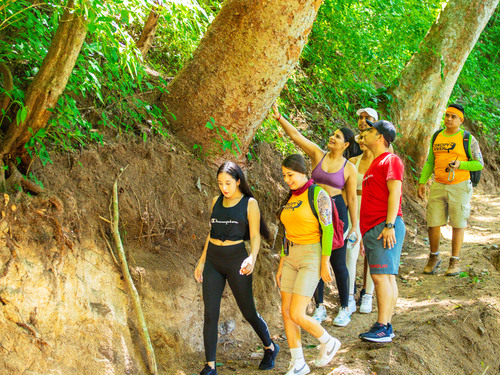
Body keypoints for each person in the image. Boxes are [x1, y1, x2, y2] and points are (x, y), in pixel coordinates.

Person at [272, 103, 359, 327]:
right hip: (313, 208)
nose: (332, 137)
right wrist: (280, 118)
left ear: (346, 144)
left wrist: (355, 227)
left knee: (338, 263)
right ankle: (319, 306)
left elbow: (351, 199)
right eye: (332, 134)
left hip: (337, 211)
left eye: (337, 136)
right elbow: (296, 136)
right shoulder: (317, 154)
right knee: (315, 257)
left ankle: (344, 307)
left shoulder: (350, 168)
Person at [194, 162, 279, 375]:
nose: (224, 187)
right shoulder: (216, 201)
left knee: (248, 311)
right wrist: (201, 261)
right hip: (213, 260)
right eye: (220, 183)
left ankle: (270, 347)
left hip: (237, 262)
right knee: (210, 313)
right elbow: (211, 233)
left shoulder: (249, 204)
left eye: (228, 183)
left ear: (238, 181)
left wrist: (252, 257)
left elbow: (254, 236)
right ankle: (210, 366)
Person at [276, 154, 341, 375]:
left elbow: (328, 229)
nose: (287, 179)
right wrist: (281, 263)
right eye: (284, 175)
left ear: (303, 172)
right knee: (286, 311)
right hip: (290, 255)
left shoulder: (318, 194)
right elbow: (287, 233)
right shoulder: (290, 198)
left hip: (311, 255)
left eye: (290, 175)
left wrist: (325, 263)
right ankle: (298, 362)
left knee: (296, 312)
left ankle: (328, 341)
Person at [418, 104, 484, 276]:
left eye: (453, 116)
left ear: (460, 120)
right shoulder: (437, 136)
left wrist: (461, 164)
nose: (449, 119)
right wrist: (422, 181)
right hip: (438, 184)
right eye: (447, 115)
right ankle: (434, 257)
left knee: (458, 222)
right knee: (433, 222)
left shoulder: (467, 138)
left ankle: (454, 260)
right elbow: (430, 162)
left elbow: (479, 163)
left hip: (460, 185)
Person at [358, 120, 406, 343]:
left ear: (380, 138)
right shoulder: (374, 163)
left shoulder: (390, 160)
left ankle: (383, 327)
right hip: (374, 228)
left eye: (370, 130)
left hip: (383, 226)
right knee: (387, 277)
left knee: (379, 277)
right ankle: (386, 324)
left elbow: (395, 193)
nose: (364, 132)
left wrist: (389, 225)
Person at [347, 131, 375, 314]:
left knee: (372, 253)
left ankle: (368, 295)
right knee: (351, 252)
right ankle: (348, 295)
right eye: (361, 138)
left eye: (367, 137)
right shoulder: (352, 162)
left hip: (373, 210)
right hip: (354, 211)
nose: (363, 141)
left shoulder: (383, 161)